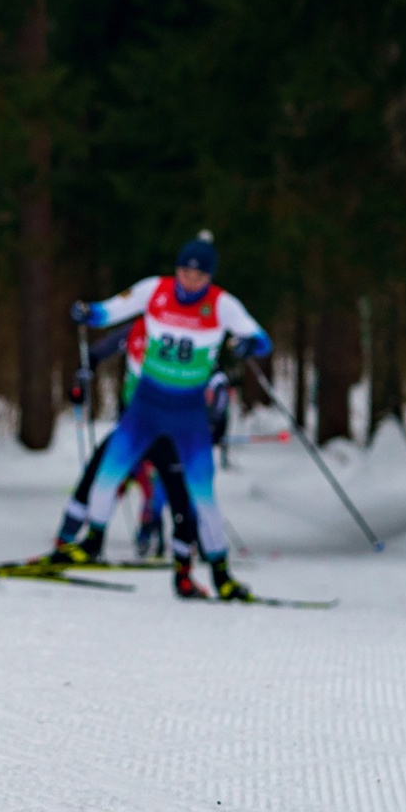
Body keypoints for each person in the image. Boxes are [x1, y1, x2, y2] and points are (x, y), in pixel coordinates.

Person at [53, 233, 272, 600]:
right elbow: (109, 311)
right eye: (185, 272)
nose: (191, 281)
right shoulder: (154, 290)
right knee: (107, 474)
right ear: (177, 270)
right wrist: (88, 313)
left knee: (203, 496)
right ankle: (91, 542)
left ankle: (221, 574)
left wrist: (251, 344)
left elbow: (261, 338)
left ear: (210, 278)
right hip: (146, 407)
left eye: (199, 276)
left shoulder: (222, 305)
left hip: (188, 415)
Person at [56, 317, 195, 562]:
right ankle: (66, 542)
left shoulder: (185, 337)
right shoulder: (134, 331)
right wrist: (81, 383)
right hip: (132, 428)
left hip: (166, 432)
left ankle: (185, 551)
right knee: (98, 476)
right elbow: (94, 355)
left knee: (174, 490)